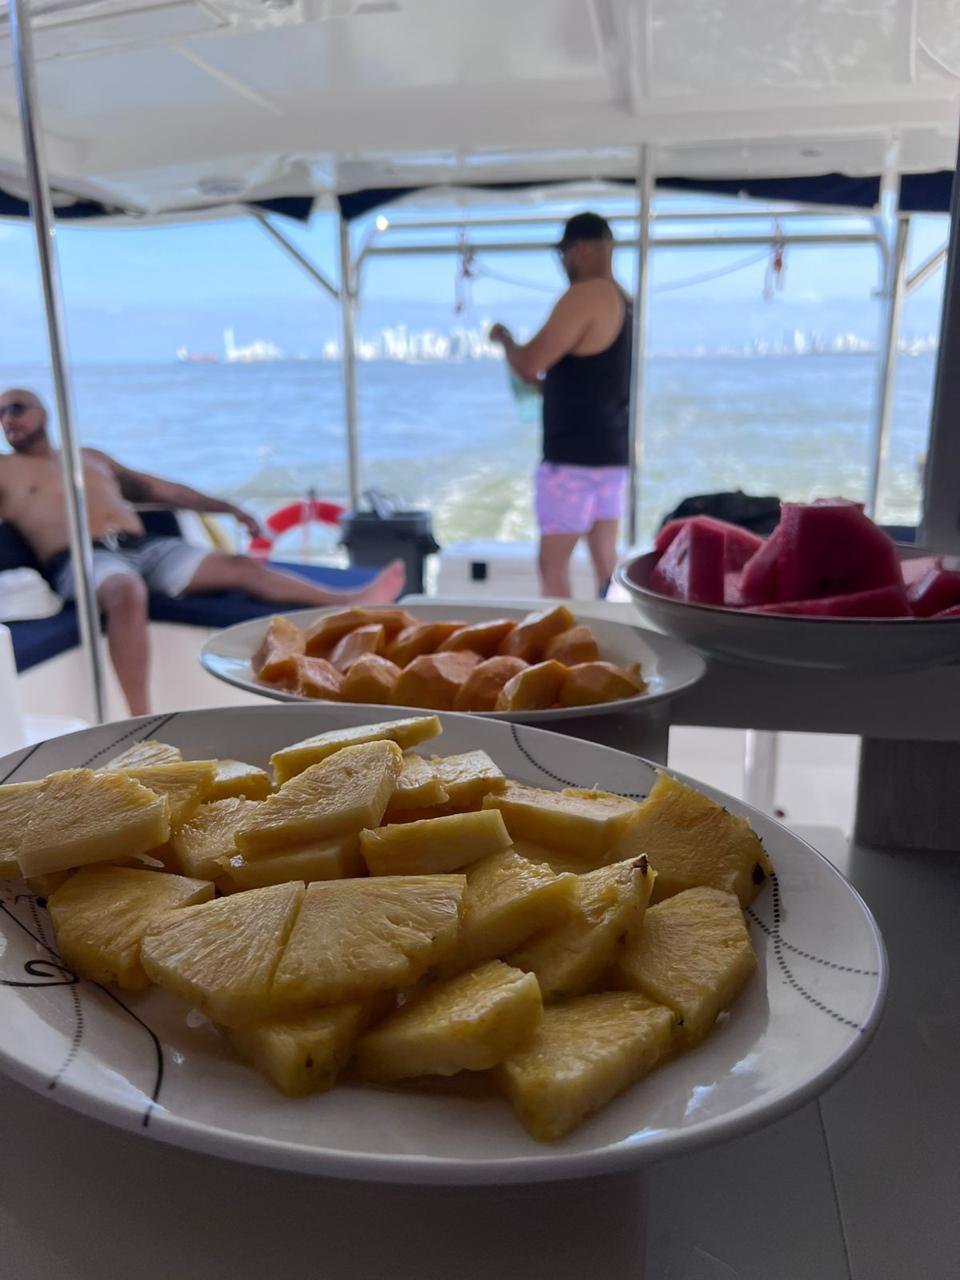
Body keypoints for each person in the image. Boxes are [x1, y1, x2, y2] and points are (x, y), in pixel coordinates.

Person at [0, 388, 405, 715]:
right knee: (127, 593)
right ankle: (142, 717)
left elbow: (162, 490)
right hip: (81, 558)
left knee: (242, 566)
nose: (9, 419)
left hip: (145, 546)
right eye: (1, 413)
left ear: (44, 412)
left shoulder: (89, 458)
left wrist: (230, 509)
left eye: (17, 407)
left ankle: (349, 600)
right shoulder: (5, 469)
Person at [489, 211, 632, 598]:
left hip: (573, 460)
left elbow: (529, 363)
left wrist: (504, 339)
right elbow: (581, 384)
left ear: (579, 250)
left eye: (563, 256)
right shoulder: (623, 301)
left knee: (552, 564)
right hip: (611, 455)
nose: (562, 265)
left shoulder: (587, 294)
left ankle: (561, 649)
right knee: (606, 563)